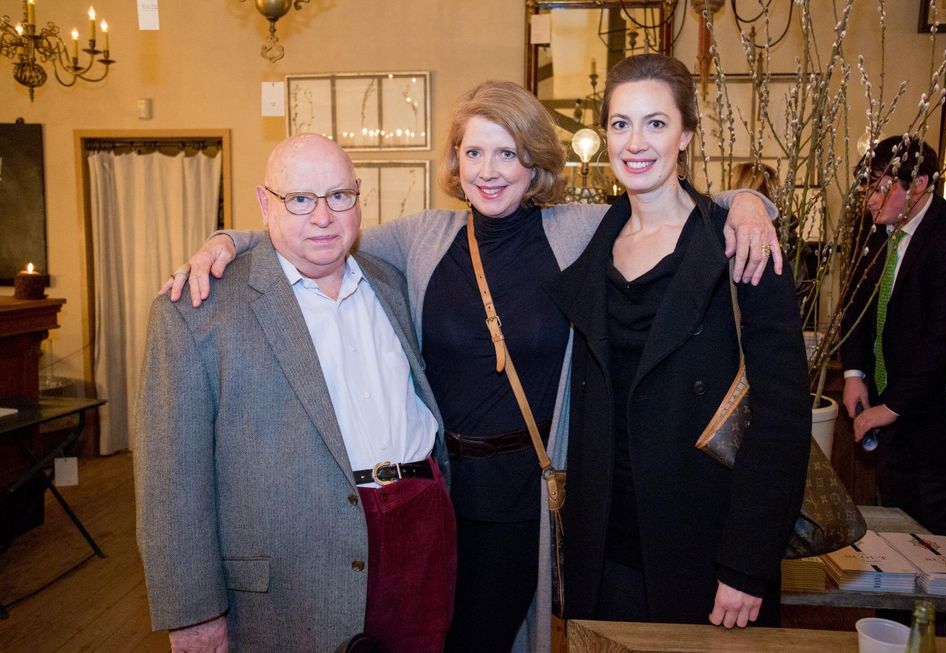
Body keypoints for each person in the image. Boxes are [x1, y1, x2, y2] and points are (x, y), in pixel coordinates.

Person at [164, 81, 781, 652]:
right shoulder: (420, 240)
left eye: (508, 153)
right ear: (456, 162)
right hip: (441, 494)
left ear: (535, 162)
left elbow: (669, 203)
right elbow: (317, 230)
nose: (489, 171)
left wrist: (749, 202)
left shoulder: (578, 230)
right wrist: (228, 240)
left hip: (531, 490)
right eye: (475, 152)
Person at [134, 134, 456, 652]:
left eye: (338, 196)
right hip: (291, 578)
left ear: (358, 196)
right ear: (266, 204)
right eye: (300, 199)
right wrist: (194, 613)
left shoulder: (389, 283)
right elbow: (171, 480)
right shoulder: (195, 311)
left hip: (419, 543)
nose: (323, 217)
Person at [543, 54, 811, 628]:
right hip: (606, 545)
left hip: (707, 547)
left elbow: (782, 416)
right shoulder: (595, 241)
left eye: (656, 123)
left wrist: (746, 564)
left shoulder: (740, 245)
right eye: (620, 124)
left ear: (687, 133)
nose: (635, 142)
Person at [842, 136, 946, 554]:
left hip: (938, 429)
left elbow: (944, 338)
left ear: (918, 184)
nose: (868, 198)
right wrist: (853, 374)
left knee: (945, 551)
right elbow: (856, 306)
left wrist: (892, 406)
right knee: (895, 545)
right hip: (890, 423)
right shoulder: (873, 231)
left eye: (879, 186)